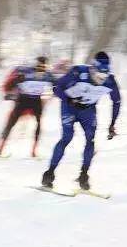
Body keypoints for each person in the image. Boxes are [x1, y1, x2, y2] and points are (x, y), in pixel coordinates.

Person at [41, 52, 121, 190]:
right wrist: (68, 99)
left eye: (104, 76)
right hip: (69, 107)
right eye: (98, 75)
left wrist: (112, 124)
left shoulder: (110, 81)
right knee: (67, 137)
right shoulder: (78, 72)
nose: (101, 79)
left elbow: (117, 101)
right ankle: (49, 173)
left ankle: (83, 175)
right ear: (92, 68)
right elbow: (56, 88)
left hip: (88, 110)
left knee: (90, 139)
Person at [0, 56, 54, 157]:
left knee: (39, 124)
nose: (41, 69)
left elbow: (57, 85)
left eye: (43, 67)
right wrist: (15, 82)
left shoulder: (48, 75)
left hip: (36, 100)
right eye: (39, 66)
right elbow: (9, 85)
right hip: (23, 99)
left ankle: (34, 151)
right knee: (11, 123)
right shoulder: (26, 72)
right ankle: (0, 148)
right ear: (35, 65)